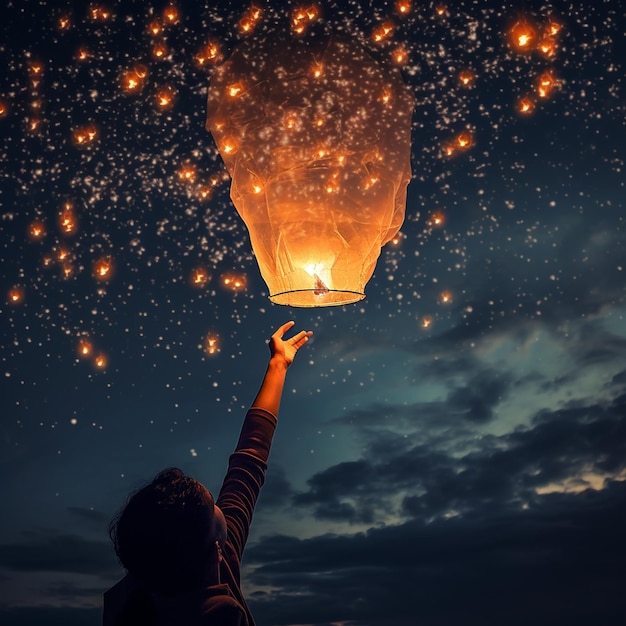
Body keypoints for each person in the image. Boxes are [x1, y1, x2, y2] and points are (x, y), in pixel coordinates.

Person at [103, 321, 312, 626]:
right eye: (214, 504)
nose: (223, 503)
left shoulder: (154, 580)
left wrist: (278, 364)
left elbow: (249, 461)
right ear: (216, 550)